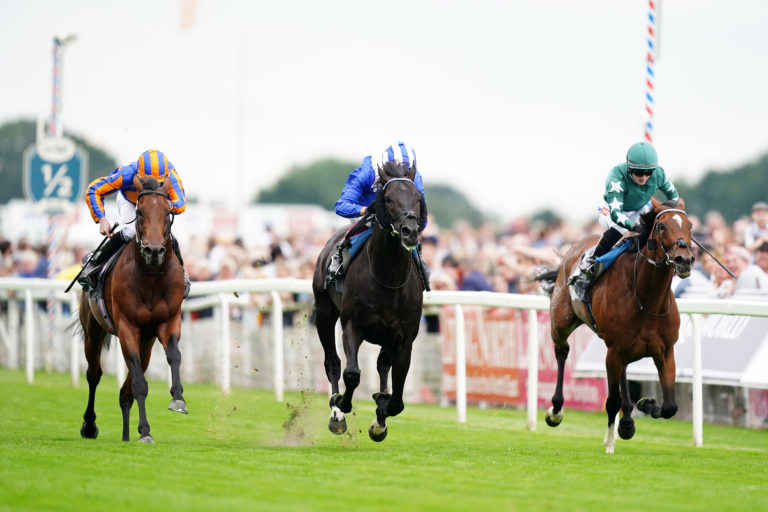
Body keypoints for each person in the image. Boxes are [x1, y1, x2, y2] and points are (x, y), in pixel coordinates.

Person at [570, 142, 680, 294]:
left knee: (655, 228)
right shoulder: (616, 177)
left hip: (640, 207)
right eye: (638, 172)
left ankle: (659, 262)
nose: (644, 177)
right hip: (611, 209)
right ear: (629, 168)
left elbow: (674, 198)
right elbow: (616, 214)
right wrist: (635, 227)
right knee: (621, 230)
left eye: (648, 172)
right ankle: (590, 262)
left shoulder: (659, 174)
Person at [77, 149, 190, 296]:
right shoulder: (126, 174)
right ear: (137, 175)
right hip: (130, 201)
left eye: (160, 183)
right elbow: (94, 190)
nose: (155, 186)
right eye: (147, 183)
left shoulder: (171, 176)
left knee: (164, 235)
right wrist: (102, 219)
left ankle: (181, 274)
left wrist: (166, 206)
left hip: (157, 205)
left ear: (166, 177)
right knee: (130, 231)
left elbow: (181, 203)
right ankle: (94, 261)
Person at [326, 141, 428, 288]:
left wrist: (415, 226)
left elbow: (422, 214)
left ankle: (421, 272)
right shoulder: (367, 172)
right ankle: (338, 265)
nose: (401, 174)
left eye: (406, 170)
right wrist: (366, 210)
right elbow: (341, 206)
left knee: (413, 242)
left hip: (398, 218)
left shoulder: (414, 176)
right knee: (364, 231)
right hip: (367, 215)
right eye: (398, 168)